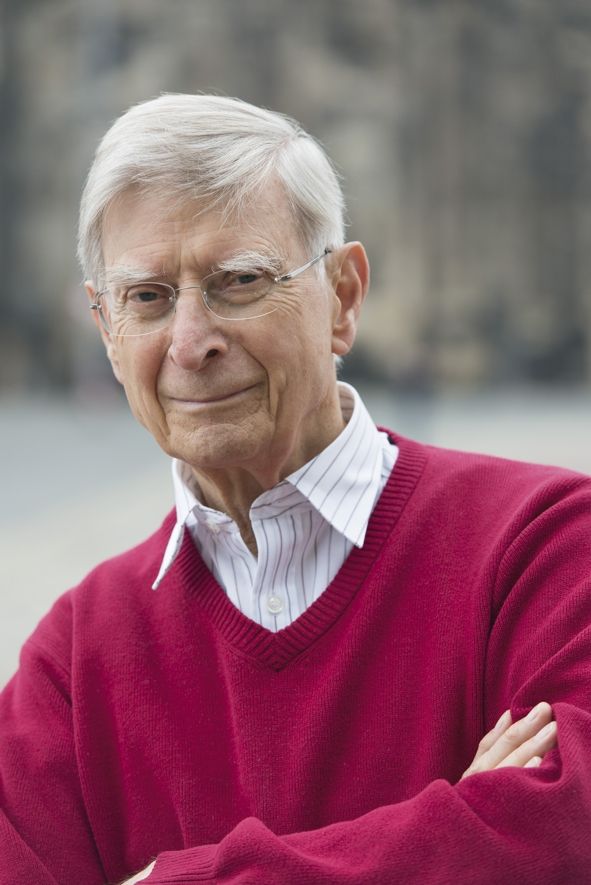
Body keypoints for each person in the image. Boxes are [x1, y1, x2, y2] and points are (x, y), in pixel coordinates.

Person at [0, 94, 589, 885]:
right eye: (147, 298)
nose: (190, 341)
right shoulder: (74, 664)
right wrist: (452, 831)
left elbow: (566, 836)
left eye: (238, 281)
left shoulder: (543, 545)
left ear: (342, 296)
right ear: (106, 332)